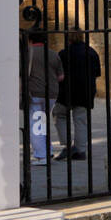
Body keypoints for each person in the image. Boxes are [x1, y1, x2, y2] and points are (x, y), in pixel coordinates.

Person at [52, 28, 101, 161]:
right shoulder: (91, 52)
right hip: (85, 92)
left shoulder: (63, 53)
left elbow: (57, 74)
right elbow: (97, 73)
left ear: (68, 38)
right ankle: (80, 150)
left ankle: (67, 145)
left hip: (66, 92)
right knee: (80, 120)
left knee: (59, 115)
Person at [26, 31, 64, 165]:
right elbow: (61, 77)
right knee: (42, 122)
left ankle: (42, 156)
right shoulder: (53, 54)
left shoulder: (28, 53)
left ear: (30, 40)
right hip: (52, 94)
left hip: (35, 93)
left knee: (36, 124)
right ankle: (47, 150)